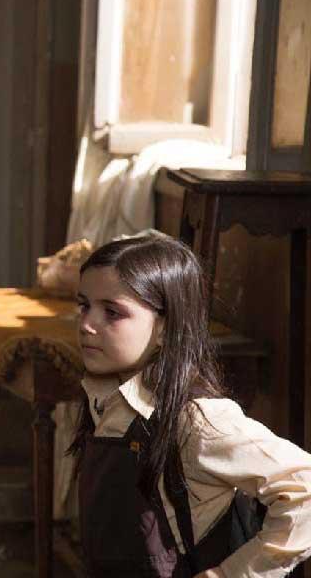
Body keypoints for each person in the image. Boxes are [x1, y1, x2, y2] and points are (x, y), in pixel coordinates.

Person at [70, 234, 311, 577]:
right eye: (84, 306)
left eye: (112, 312)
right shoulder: (104, 401)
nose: (86, 324)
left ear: (164, 327)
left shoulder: (196, 419)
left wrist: (227, 574)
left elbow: (305, 490)